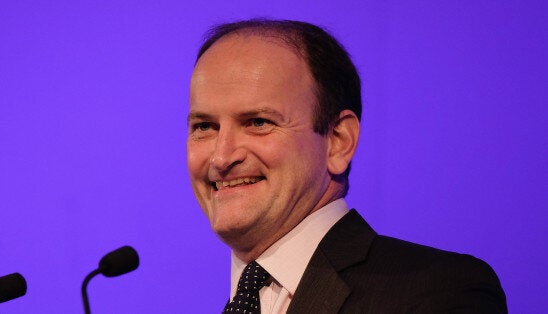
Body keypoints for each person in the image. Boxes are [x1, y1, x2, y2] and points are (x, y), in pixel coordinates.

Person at [186, 19, 506, 314]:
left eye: (258, 122)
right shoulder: (243, 301)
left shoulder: (439, 291)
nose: (221, 158)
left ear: (338, 140)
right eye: (204, 127)